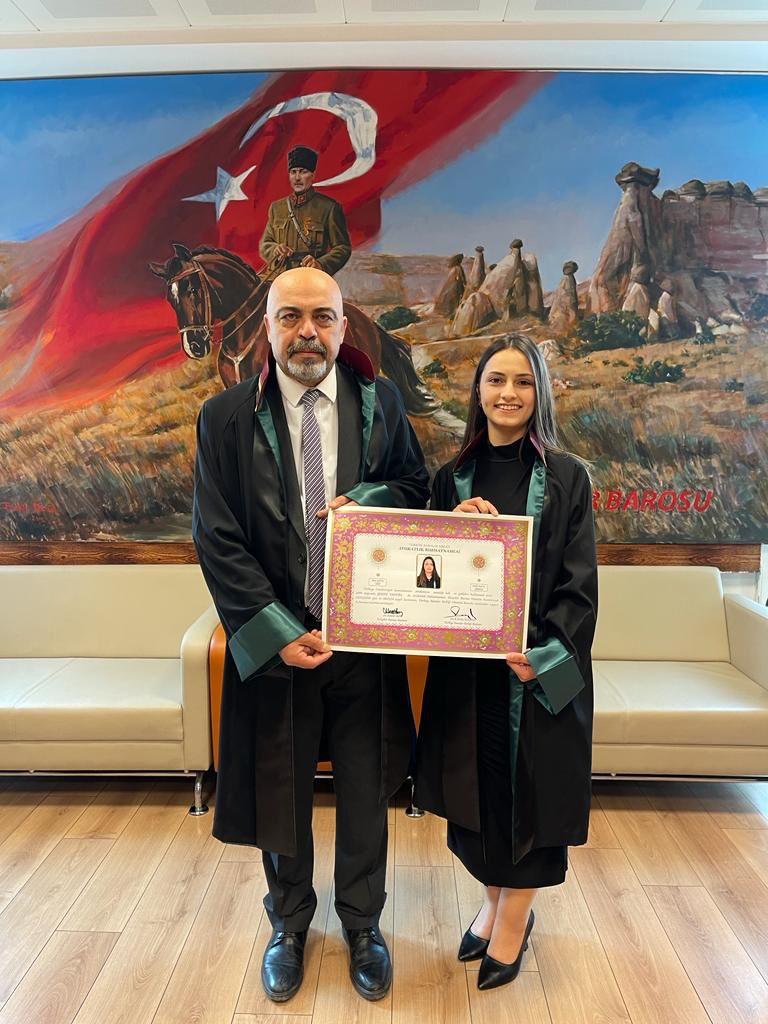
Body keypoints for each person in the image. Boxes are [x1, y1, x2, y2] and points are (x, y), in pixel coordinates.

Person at [192, 267, 429, 1004]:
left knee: (364, 790)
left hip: (363, 646)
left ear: (342, 326)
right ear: (266, 327)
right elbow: (217, 536)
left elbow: (415, 489)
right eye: (290, 316)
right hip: (279, 644)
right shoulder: (226, 418)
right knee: (279, 790)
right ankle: (289, 924)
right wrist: (273, 632)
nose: (307, 332)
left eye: (322, 317)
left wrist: (369, 499)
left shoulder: (380, 403)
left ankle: (363, 924)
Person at [415, 334, 597, 991]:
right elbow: (427, 577)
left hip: (540, 671)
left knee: (534, 799)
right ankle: (493, 903)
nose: (508, 393)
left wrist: (543, 658)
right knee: (478, 795)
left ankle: (515, 918)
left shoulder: (568, 477)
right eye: (496, 380)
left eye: (522, 381)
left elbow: (580, 586)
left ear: (539, 392)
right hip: (468, 675)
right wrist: (450, 524)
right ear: (479, 391)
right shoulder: (451, 478)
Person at [259, 145, 352, 279]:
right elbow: (265, 244)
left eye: (303, 172)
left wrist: (320, 264)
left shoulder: (329, 208)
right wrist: (275, 249)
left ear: (313, 175)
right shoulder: (277, 208)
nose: (297, 178)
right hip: (278, 276)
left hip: (309, 278)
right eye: (293, 172)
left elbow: (342, 247)